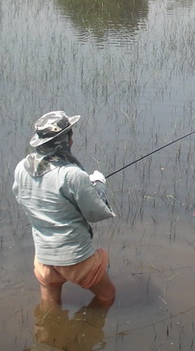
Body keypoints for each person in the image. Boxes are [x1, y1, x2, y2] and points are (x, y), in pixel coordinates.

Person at [13, 111, 117, 307]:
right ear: (65, 140)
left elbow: (22, 197)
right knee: (107, 296)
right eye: (70, 134)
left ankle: (50, 336)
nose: (72, 138)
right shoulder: (72, 175)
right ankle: (88, 332)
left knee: (49, 306)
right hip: (75, 256)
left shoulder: (21, 167)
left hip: (43, 256)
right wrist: (98, 185)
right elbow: (96, 213)